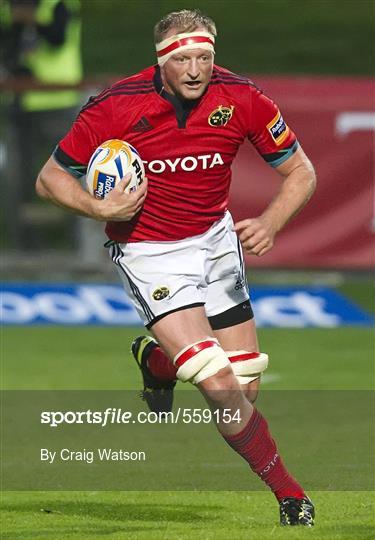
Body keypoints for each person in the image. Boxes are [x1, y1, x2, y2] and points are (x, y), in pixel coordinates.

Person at [36, 9, 316, 526]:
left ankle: (157, 362)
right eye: (183, 59)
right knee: (217, 384)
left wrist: (272, 222)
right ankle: (291, 496)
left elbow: (301, 170)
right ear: (161, 61)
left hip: (214, 242)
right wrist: (98, 208)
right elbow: (50, 178)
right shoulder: (117, 106)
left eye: (204, 57)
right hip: (150, 253)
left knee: (245, 385)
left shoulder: (242, 98)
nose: (194, 69)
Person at [0, 0, 82, 247]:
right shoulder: (7, 8)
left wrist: (29, 19)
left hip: (58, 102)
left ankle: (78, 247)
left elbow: (57, 38)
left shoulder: (59, 4)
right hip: (20, 104)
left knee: (72, 176)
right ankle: (23, 249)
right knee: (19, 181)